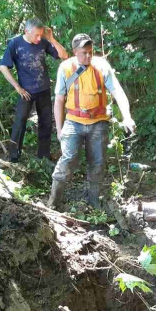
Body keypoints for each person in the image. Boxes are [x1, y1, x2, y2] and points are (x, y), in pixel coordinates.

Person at [47, 34, 135, 210]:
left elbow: (117, 91)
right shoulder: (65, 68)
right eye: (84, 53)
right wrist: (59, 129)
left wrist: (127, 116)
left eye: (90, 52)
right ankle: (53, 202)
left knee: (97, 162)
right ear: (74, 52)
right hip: (73, 121)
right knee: (68, 159)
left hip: (98, 122)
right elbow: (59, 100)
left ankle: (94, 203)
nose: (88, 56)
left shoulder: (102, 66)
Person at [0, 18, 69, 164]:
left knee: (46, 123)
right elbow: (3, 66)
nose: (39, 38)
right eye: (36, 35)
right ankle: (13, 157)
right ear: (26, 31)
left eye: (40, 35)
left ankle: (43, 157)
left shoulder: (43, 42)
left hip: (43, 89)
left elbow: (64, 56)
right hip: (26, 91)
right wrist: (17, 87)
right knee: (20, 122)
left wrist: (51, 38)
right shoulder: (15, 43)